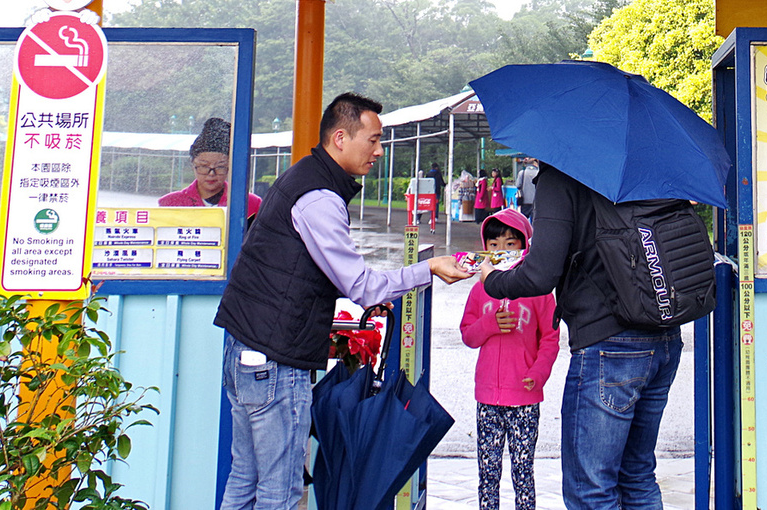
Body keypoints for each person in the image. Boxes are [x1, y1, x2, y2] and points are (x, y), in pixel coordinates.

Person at [213, 92, 471, 510]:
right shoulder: (320, 198)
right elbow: (362, 286)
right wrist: (430, 269)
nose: (379, 150)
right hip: (275, 362)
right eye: (371, 140)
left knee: (246, 480)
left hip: (245, 349)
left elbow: (307, 268)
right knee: (279, 492)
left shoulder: (304, 178)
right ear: (339, 138)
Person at [481, 164, 682, 510]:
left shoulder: (562, 174)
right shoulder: (642, 164)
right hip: (663, 336)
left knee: (591, 488)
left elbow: (540, 274)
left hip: (608, 343)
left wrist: (492, 280)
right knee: (637, 476)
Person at [460, 208, 558, 510]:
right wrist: (489, 325)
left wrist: (538, 373)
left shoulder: (540, 293)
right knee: (488, 472)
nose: (501, 250)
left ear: (524, 246)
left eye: (510, 243)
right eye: (494, 245)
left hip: (525, 399)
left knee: (522, 469)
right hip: (488, 398)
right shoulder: (479, 291)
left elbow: (551, 339)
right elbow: (468, 335)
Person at [160, 117, 262, 218]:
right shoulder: (170, 203)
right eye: (204, 166)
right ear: (193, 165)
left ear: (230, 167)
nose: (211, 174)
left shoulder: (251, 204)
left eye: (220, 167)